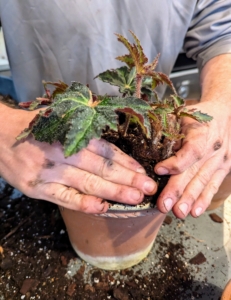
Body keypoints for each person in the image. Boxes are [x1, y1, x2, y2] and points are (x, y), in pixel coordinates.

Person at [0, 0, 231, 219]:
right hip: (39, 142)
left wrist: (223, 100)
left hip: (143, 121)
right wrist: (4, 126)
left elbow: (221, 28)